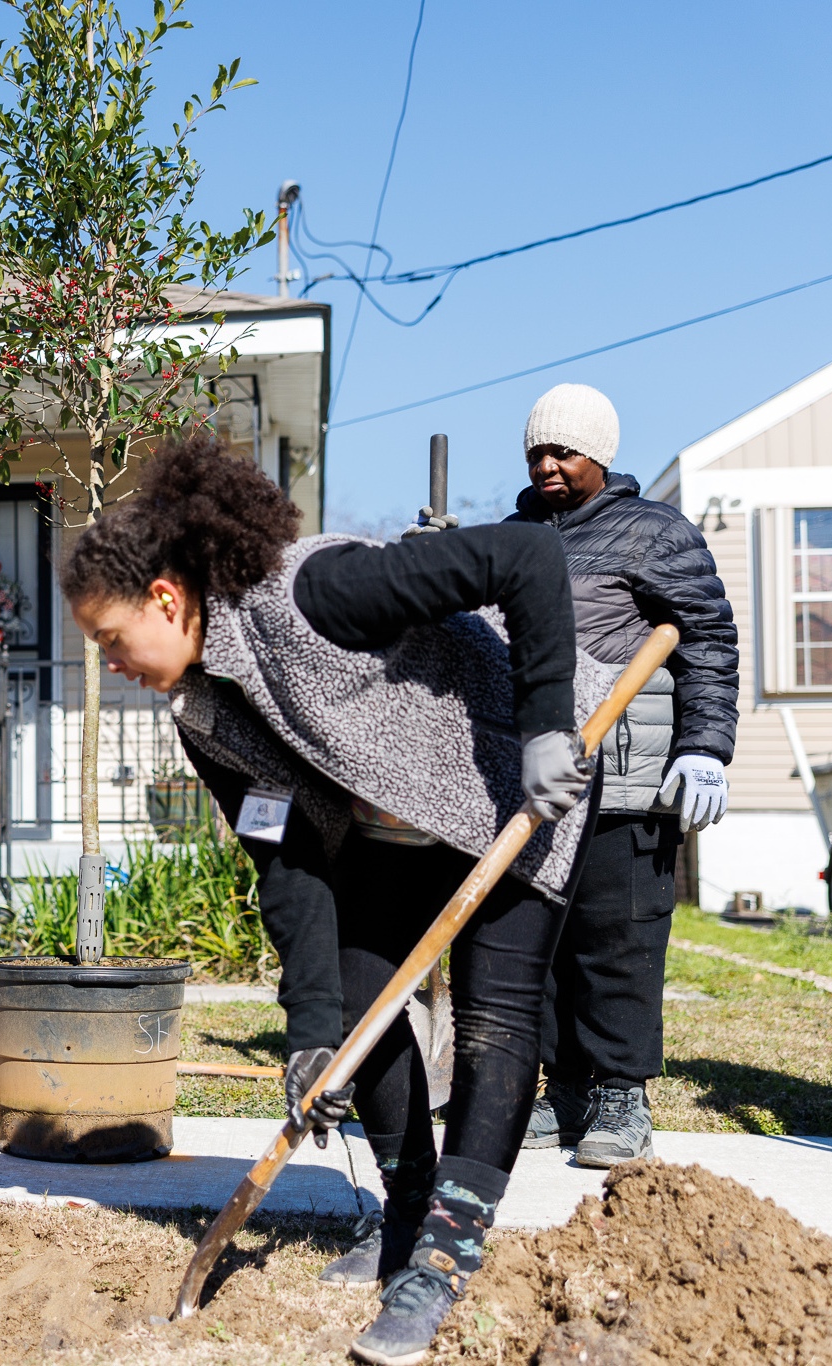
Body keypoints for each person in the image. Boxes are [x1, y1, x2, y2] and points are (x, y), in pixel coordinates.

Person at [63, 431, 607, 1366]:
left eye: (112, 640)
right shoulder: (203, 714)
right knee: (361, 1000)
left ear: (164, 597)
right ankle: (402, 1219)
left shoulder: (316, 593)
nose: (111, 663)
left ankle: (445, 1255)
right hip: (391, 826)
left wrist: (548, 725)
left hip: (514, 782)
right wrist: (311, 1031)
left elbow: (525, 555)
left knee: (493, 1021)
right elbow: (288, 863)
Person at [506, 383, 737, 1167]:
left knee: (617, 938)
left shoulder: (654, 533)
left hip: (627, 777)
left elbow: (706, 637)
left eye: (562, 452)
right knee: (545, 941)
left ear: (597, 455)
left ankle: (619, 1094)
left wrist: (703, 746)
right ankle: (564, 1089)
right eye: (536, 450)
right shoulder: (515, 536)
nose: (546, 464)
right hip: (539, 779)